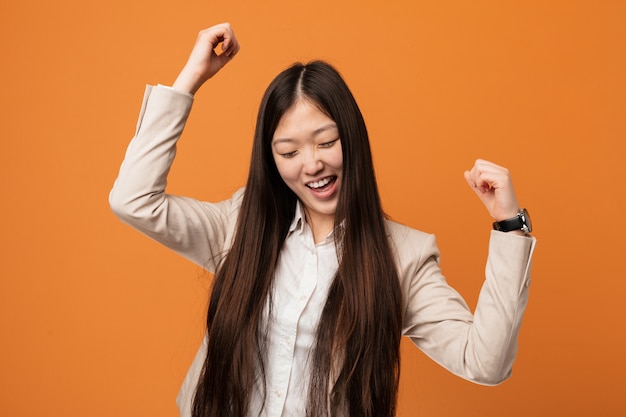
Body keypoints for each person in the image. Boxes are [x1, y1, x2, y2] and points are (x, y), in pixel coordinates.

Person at [110, 23, 536, 417]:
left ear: (352, 138)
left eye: (326, 142)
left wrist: (509, 226)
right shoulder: (241, 226)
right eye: (289, 152)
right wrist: (190, 79)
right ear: (271, 160)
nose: (311, 164)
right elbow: (133, 200)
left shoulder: (403, 256)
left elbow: (486, 362)